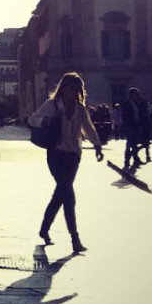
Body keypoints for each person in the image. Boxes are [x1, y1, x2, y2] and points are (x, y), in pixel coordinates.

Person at [28, 71, 103, 254]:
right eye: (72, 88)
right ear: (64, 88)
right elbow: (32, 119)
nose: (75, 91)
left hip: (73, 156)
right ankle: (75, 239)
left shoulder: (80, 108)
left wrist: (97, 145)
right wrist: (44, 121)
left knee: (61, 193)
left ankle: (45, 228)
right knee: (68, 195)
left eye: (78, 88)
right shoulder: (52, 105)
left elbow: (88, 128)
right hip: (56, 153)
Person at [121, 87, 144, 171]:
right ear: (131, 95)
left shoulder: (138, 104)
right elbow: (124, 116)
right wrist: (130, 121)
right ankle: (127, 160)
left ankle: (135, 160)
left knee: (134, 144)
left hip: (136, 125)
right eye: (136, 94)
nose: (137, 96)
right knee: (129, 143)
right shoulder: (126, 104)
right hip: (129, 126)